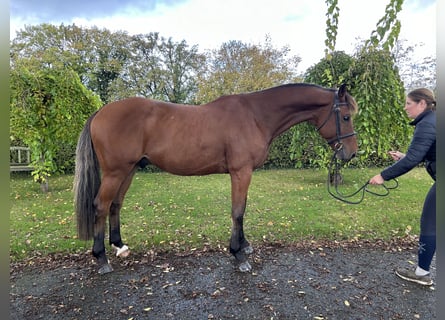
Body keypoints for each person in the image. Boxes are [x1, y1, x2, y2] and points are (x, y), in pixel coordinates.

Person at [369, 88, 436, 286]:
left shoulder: (427, 124)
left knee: (430, 224)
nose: (405, 107)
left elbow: (415, 158)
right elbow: (428, 154)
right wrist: (404, 157)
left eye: (408, 103)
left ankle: (422, 274)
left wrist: (383, 176)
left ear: (422, 103)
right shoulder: (433, 120)